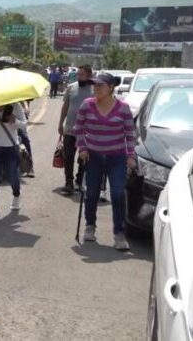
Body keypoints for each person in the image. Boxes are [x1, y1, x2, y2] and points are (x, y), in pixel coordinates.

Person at [74, 73, 136, 251]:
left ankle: (119, 233)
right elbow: (79, 128)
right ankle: (90, 226)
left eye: (100, 86)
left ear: (110, 88)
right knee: (91, 193)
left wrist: (130, 155)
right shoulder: (87, 105)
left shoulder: (123, 109)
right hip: (93, 157)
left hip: (117, 157)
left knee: (117, 194)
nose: (96, 88)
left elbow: (129, 134)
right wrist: (83, 148)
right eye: (95, 85)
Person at [58, 65, 93, 195]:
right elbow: (65, 106)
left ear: (89, 76)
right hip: (70, 130)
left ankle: (79, 179)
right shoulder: (71, 88)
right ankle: (69, 183)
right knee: (68, 157)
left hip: (87, 132)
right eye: (78, 74)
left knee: (83, 158)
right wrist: (60, 123)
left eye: (82, 75)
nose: (79, 77)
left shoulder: (95, 90)